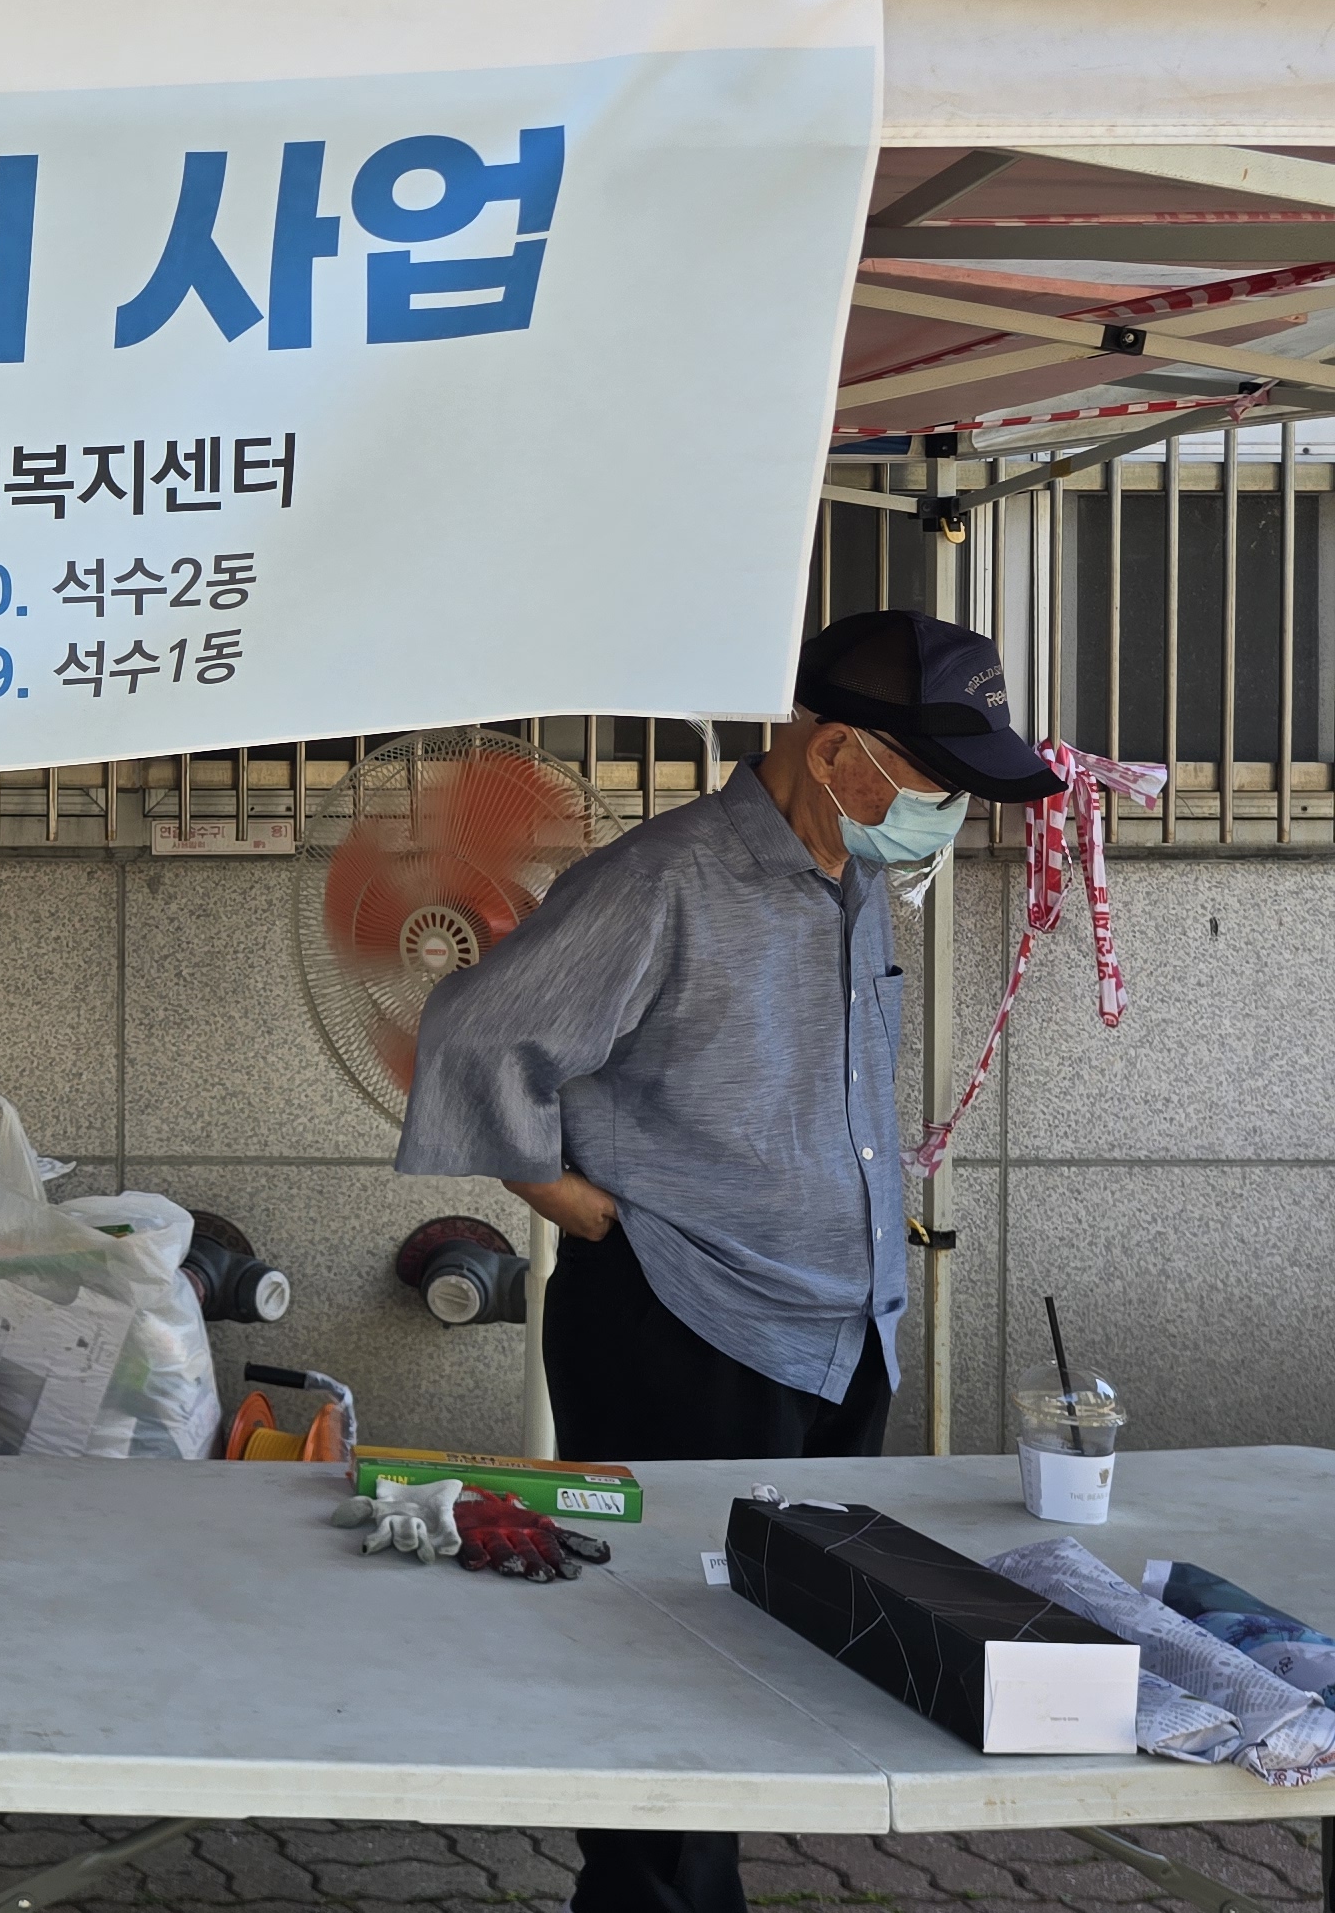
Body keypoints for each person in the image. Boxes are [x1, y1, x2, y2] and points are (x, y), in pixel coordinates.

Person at [394, 610, 1062, 1913]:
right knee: (670, 1657)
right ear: (837, 754)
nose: (948, 812)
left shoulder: (850, 877)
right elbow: (476, 1036)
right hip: (685, 1320)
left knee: (777, 1651)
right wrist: (581, 1208)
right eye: (935, 781)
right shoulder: (666, 880)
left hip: (837, 1327)